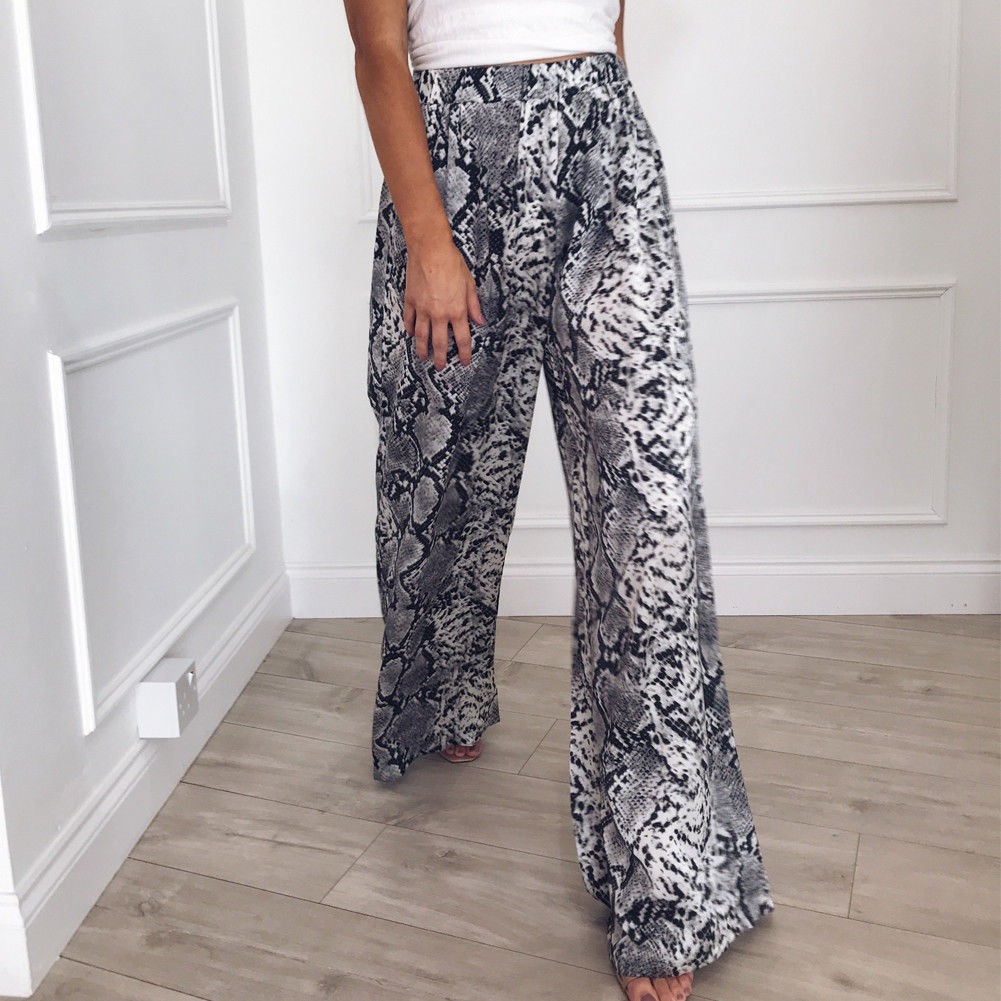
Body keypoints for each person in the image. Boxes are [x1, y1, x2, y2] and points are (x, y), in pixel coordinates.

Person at [343, 2, 775, 999]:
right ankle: (439, 694)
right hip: (455, 162)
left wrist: (600, 141)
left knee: (646, 516)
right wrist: (428, 239)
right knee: (441, 475)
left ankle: (663, 876)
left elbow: (606, 29)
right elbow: (376, 47)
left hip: (608, 160)